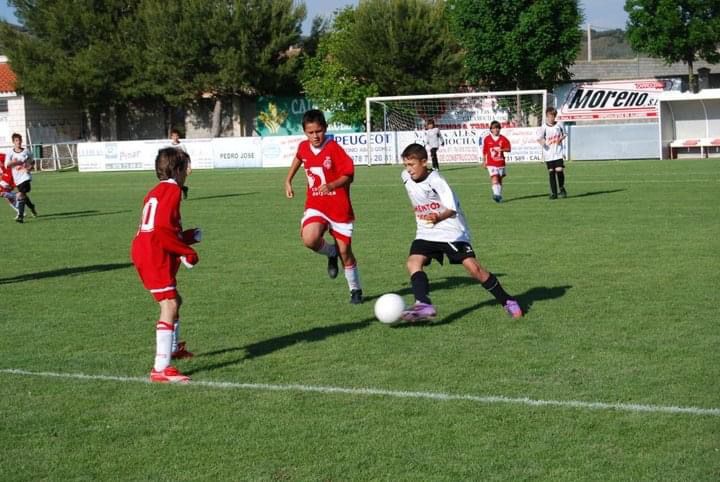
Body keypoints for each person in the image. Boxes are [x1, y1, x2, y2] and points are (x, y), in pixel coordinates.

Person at [398, 143, 523, 322]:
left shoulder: (437, 181)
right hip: (426, 231)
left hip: (451, 230)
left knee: (474, 269)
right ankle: (423, 304)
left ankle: (507, 300)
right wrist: (419, 209)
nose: (408, 170)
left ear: (424, 162)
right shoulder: (404, 177)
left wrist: (437, 218)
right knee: (413, 263)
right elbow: (416, 196)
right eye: (406, 165)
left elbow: (451, 209)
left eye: (412, 165)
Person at [131, 147, 201, 383]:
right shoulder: (173, 190)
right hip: (154, 254)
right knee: (169, 304)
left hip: (146, 249)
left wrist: (188, 237)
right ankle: (161, 368)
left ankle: (173, 349)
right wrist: (186, 251)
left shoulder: (156, 191)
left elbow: (162, 228)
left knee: (174, 300)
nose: (188, 173)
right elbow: (161, 230)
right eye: (187, 168)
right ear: (178, 169)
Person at [284, 109, 363, 304]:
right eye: (310, 132)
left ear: (325, 129)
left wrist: (332, 185)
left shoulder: (334, 149)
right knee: (309, 238)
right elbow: (299, 157)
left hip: (339, 207)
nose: (315, 136)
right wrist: (288, 180)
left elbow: (349, 175)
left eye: (318, 131)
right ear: (305, 132)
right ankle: (331, 252)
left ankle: (355, 289)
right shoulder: (304, 147)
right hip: (316, 204)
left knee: (346, 252)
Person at [5, 133, 37, 223]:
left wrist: (30, 167)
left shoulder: (26, 151)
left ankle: (20, 216)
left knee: (20, 195)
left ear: (21, 141)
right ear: (13, 142)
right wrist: (15, 162)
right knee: (23, 196)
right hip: (17, 178)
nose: (18, 142)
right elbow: (7, 165)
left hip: (26, 177)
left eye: (19, 140)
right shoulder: (10, 153)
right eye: (16, 140)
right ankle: (32, 207)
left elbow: (32, 161)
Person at [537, 107, 567, 199]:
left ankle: (561, 188)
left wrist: (560, 139)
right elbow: (539, 138)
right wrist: (543, 143)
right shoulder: (544, 127)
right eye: (549, 116)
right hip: (548, 154)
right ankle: (554, 193)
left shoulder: (559, 124)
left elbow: (565, 134)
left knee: (559, 170)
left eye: (553, 116)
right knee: (551, 172)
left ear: (555, 116)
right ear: (547, 116)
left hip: (558, 152)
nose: (551, 118)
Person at [481, 120, 512, 203]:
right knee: (494, 178)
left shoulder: (503, 139)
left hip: (501, 163)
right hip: (491, 163)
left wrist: (502, 149)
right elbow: (485, 151)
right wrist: (484, 161)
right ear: (491, 129)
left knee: (499, 180)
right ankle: (496, 194)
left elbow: (509, 149)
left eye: (498, 128)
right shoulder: (487, 139)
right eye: (494, 128)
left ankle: (498, 195)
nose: (496, 130)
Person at [168, 128, 190, 199]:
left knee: (178, 181)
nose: (175, 137)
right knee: (172, 181)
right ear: (171, 137)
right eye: (174, 136)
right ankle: (184, 189)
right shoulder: (169, 146)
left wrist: (189, 166)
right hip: (173, 166)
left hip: (181, 166)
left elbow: (187, 156)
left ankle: (178, 196)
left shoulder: (182, 145)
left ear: (178, 136)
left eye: (176, 136)